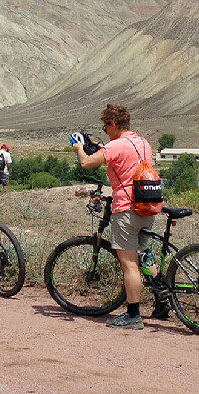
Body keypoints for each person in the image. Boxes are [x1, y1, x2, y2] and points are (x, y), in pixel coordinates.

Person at [70, 103, 164, 330]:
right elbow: (122, 156)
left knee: (129, 265)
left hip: (126, 210)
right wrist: (102, 147)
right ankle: (163, 299)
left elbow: (86, 163)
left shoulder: (117, 145)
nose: (106, 131)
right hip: (147, 207)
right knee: (143, 254)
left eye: (105, 127)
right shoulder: (142, 142)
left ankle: (133, 315)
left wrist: (79, 148)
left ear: (113, 124)